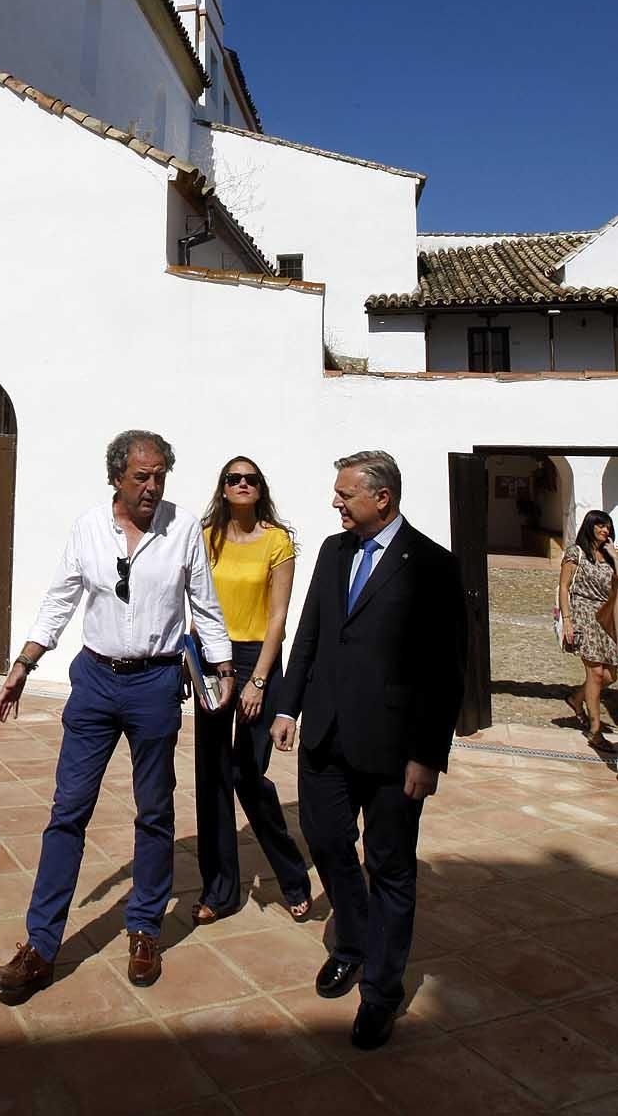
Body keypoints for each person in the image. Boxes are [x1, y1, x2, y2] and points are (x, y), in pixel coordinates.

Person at [0, 429, 235, 1001]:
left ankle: (145, 927)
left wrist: (224, 673)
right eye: (141, 477)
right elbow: (60, 598)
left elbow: (205, 605)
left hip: (155, 683)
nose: (152, 487)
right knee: (68, 811)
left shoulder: (183, 531)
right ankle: (40, 946)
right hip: (96, 681)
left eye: (159, 477)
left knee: (154, 811)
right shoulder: (88, 528)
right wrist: (26, 662)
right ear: (116, 478)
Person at [270, 450, 466, 1052]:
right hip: (326, 734)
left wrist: (427, 755)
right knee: (325, 840)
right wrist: (287, 705)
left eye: (345, 493)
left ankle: (381, 989)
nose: (335, 501)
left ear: (381, 498)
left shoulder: (432, 564)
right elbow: (310, 633)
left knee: (390, 867)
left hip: (393, 748)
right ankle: (354, 941)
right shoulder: (332, 553)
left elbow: (446, 667)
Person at [191, 456, 311, 926]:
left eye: (250, 479)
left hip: (258, 659)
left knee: (247, 773)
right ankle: (219, 890)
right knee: (213, 777)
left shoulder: (277, 542)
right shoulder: (205, 537)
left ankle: (291, 874)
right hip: (210, 657)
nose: (242, 485)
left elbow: (278, 617)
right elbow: (194, 600)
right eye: (233, 479)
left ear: (260, 489)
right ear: (223, 488)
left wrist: (259, 679)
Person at [560, 510, 618, 750]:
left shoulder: (610, 554)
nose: (605, 530)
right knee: (595, 674)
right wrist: (567, 620)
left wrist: (614, 557)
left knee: (611, 675)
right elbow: (563, 587)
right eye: (600, 526)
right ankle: (595, 731)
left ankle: (577, 698)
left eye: (608, 526)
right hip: (584, 614)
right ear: (590, 526)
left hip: (607, 616)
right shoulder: (577, 553)